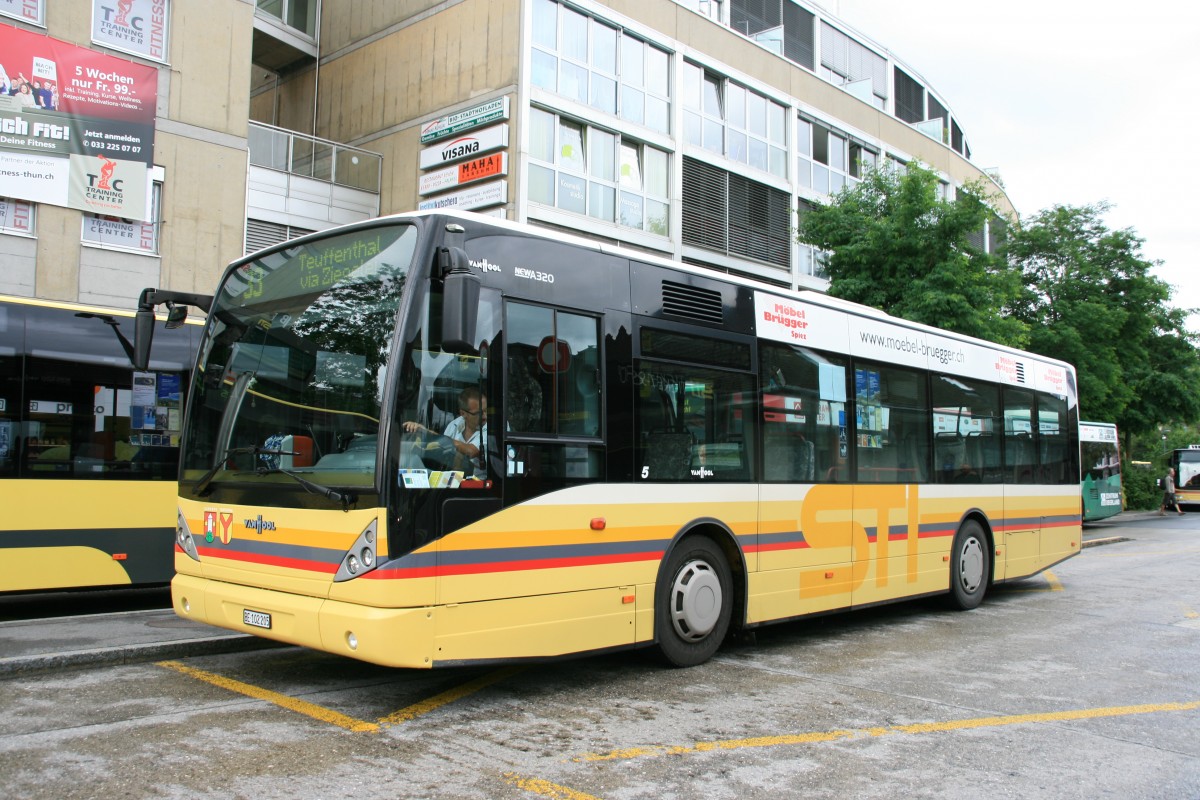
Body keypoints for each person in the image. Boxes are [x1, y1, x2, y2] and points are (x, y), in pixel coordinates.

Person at [403, 387, 487, 474]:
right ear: (463, 413)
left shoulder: (490, 431)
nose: (485, 416)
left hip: (479, 481)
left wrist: (429, 434)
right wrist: (420, 432)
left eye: (486, 410)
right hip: (452, 477)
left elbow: (470, 451)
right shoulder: (454, 425)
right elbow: (442, 448)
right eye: (480, 413)